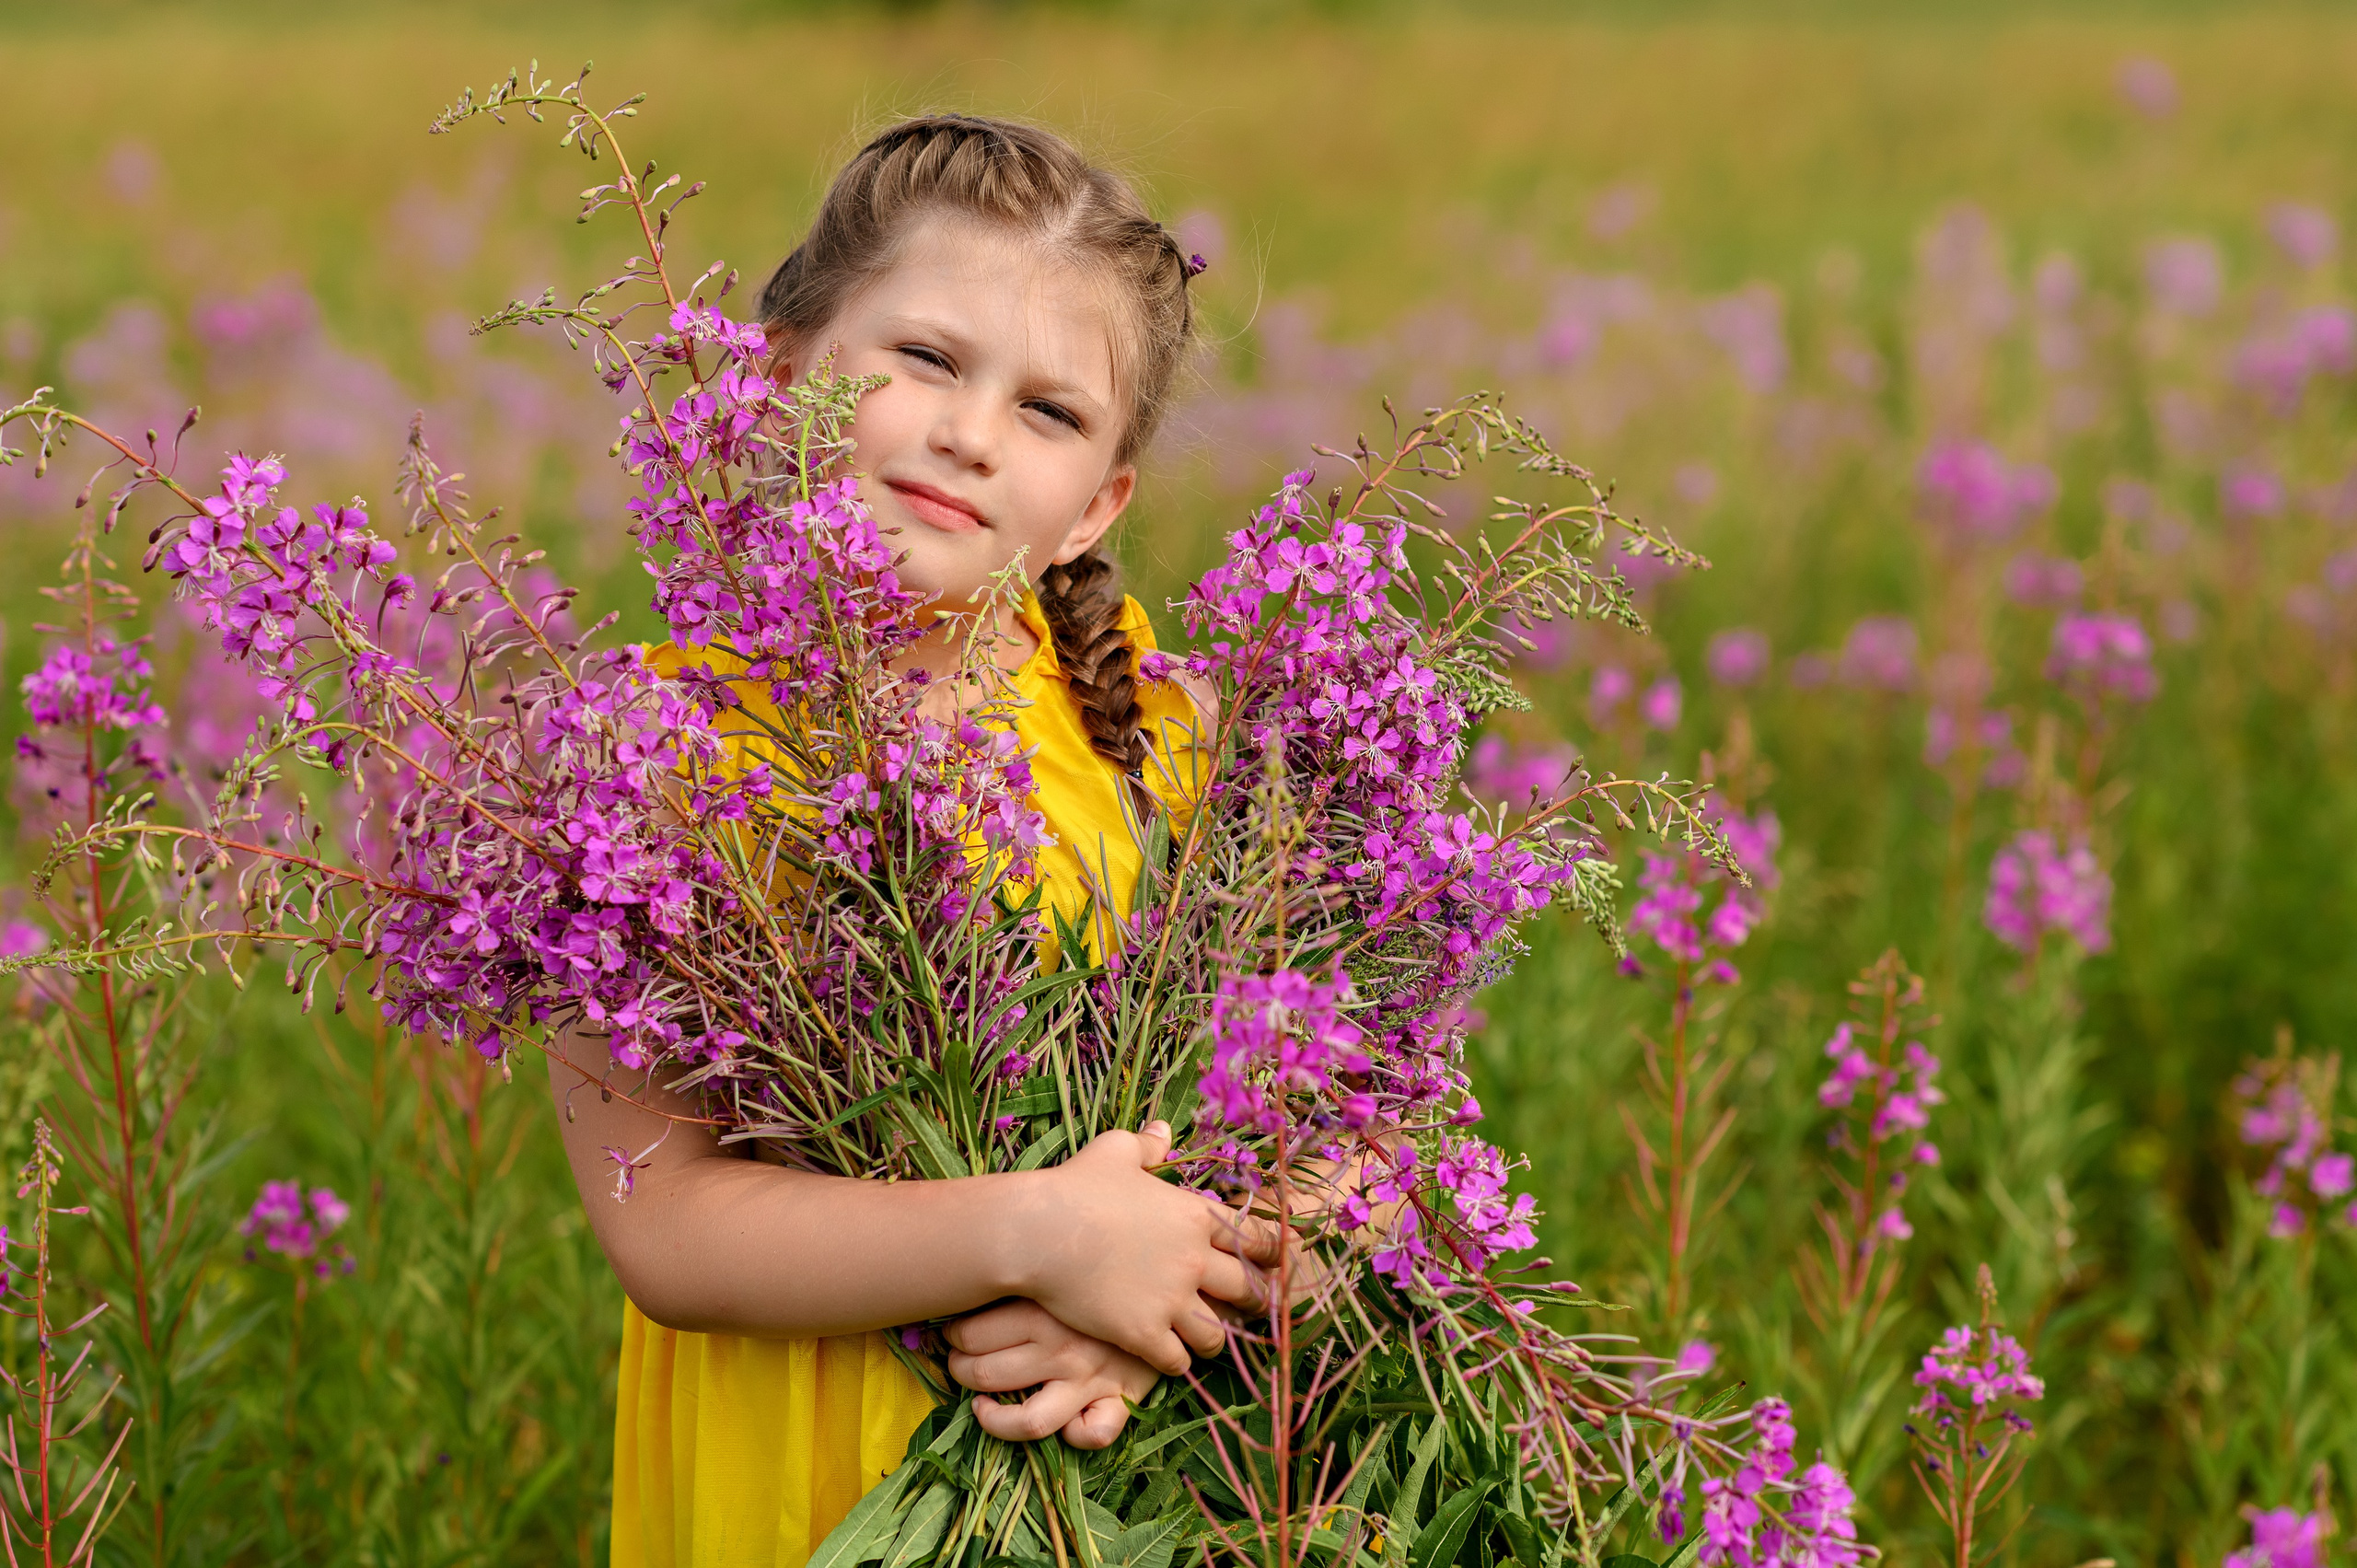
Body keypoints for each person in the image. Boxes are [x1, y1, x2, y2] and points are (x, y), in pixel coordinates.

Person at [545, 114, 1271, 1568]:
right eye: (928, 358)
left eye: (1050, 411)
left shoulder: (1162, 737)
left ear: (1099, 506)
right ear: (778, 376)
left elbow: (1344, 1140)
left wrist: (1159, 1299)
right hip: (796, 1490)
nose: (971, 433)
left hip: (1126, 1486)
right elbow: (666, 1227)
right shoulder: (653, 760)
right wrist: (1044, 1241)